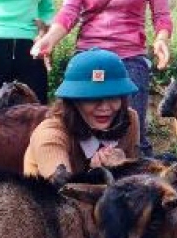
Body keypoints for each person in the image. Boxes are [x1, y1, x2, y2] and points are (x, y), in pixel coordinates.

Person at [31, 0, 172, 157]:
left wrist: (162, 40)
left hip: (129, 57)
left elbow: (162, 16)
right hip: (88, 56)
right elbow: (70, 10)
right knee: (75, 124)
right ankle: (75, 183)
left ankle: (131, 185)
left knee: (130, 128)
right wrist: (50, 38)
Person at [23, 48, 140, 180]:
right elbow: (62, 192)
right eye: (92, 98)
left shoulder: (128, 120)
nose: (105, 107)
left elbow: (136, 179)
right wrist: (94, 176)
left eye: (113, 97)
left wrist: (125, 166)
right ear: (73, 101)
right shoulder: (50, 135)